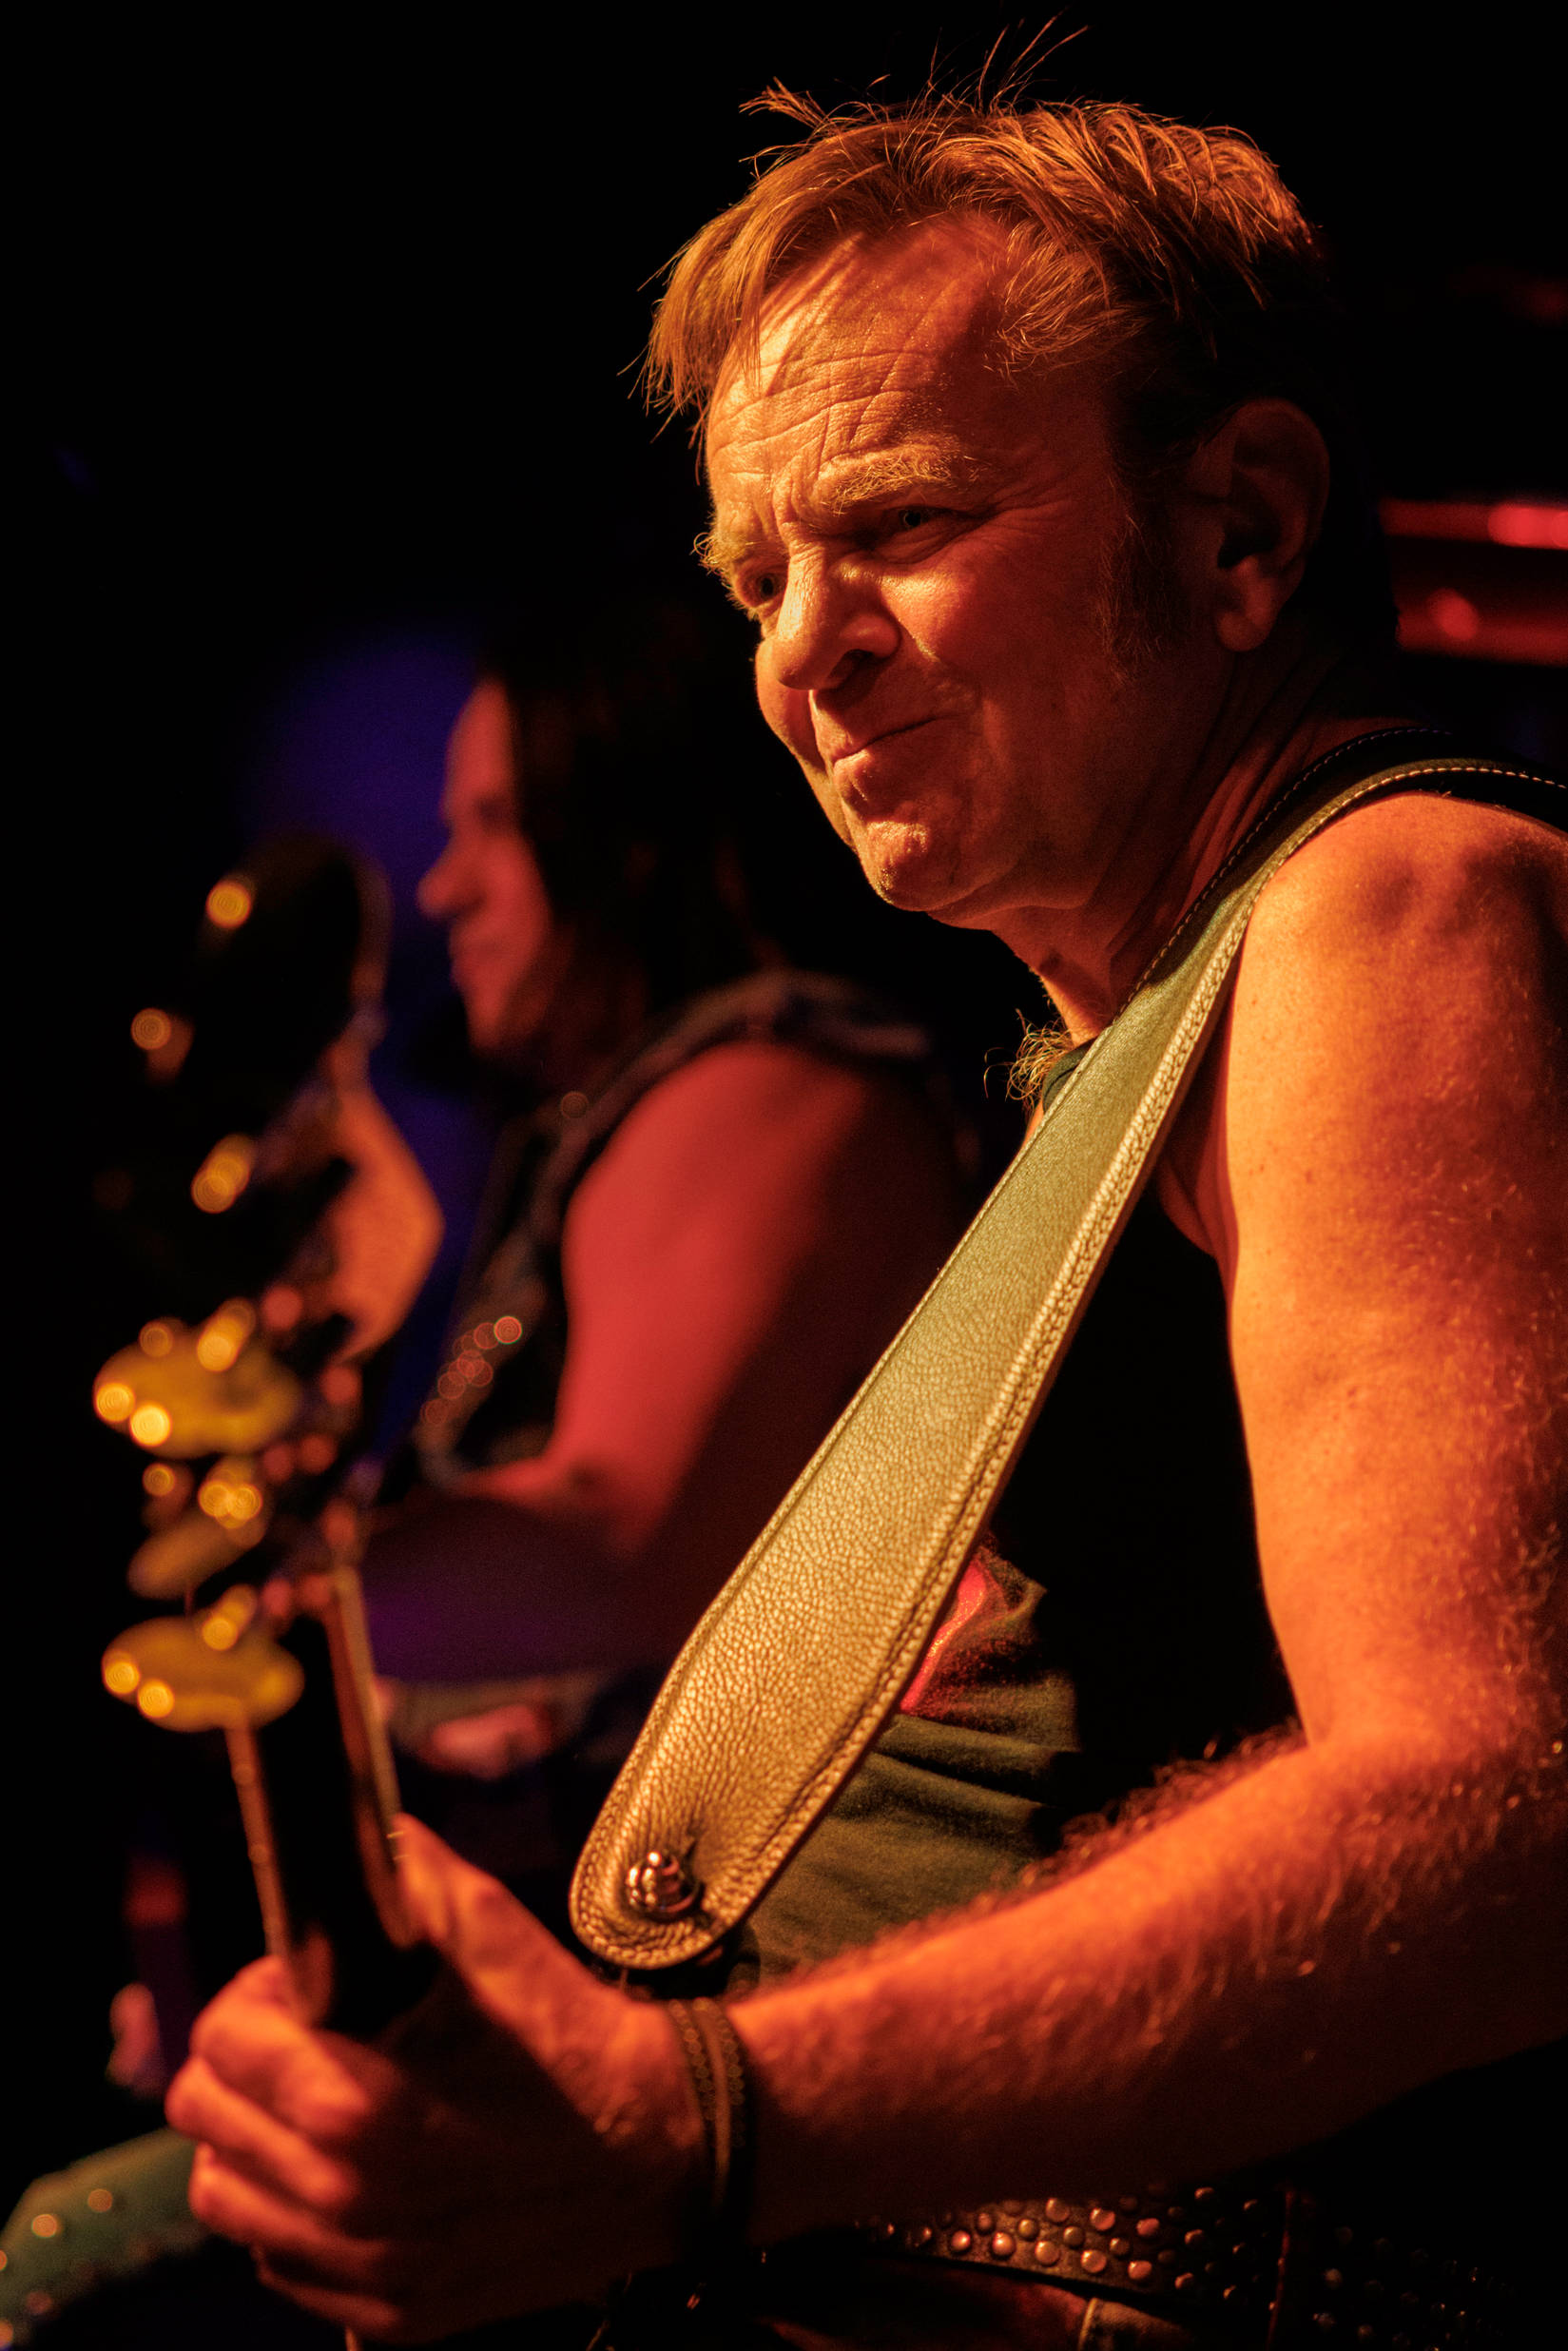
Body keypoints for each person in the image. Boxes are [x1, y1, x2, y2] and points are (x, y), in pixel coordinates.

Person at [165, 90, 1566, 2350]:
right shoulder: (1132, 1038)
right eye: (757, 579)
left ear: (1242, 528)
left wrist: (699, 2113)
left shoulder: (1386, 903)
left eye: (905, 523)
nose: (803, 654)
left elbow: (1500, 1821)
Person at [354, 602, 968, 1919]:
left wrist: (246, 1594)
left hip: (737, 1957)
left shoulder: (760, 1080)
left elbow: (625, 1542)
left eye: (496, 824)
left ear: (630, 833)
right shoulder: (638, 1105)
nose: (444, 889)